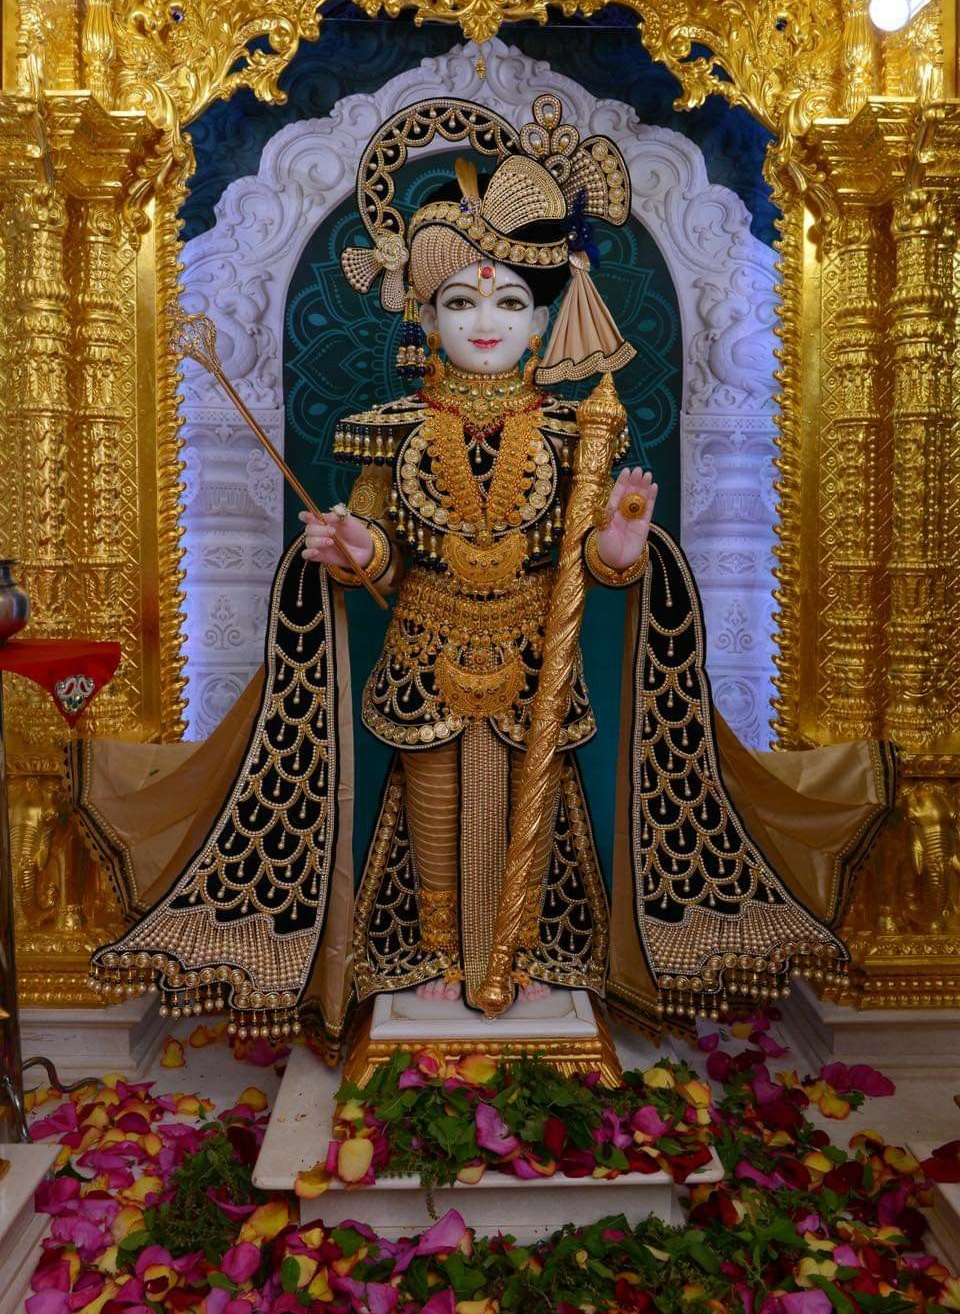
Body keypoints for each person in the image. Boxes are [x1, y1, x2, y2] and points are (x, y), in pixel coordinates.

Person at [83, 94, 896, 1053]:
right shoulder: (388, 430)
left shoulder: (576, 431)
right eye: (461, 302)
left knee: (534, 807)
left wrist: (619, 551)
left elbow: (586, 560)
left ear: (541, 322)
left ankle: (530, 954)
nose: (484, 321)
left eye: (509, 303)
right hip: (425, 649)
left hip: (536, 652)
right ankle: (435, 955)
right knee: (430, 804)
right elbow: (382, 541)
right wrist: (356, 551)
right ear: (427, 318)